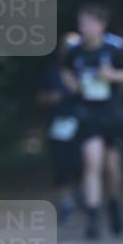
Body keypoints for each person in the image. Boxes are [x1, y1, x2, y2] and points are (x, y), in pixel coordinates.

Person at [62, 5, 123, 238]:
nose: (84, 28)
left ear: (100, 25)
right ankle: (93, 219)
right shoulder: (75, 50)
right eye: (81, 23)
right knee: (91, 163)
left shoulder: (115, 47)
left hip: (111, 114)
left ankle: (114, 204)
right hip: (87, 114)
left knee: (111, 168)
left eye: (89, 23)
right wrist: (73, 85)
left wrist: (112, 75)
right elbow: (64, 70)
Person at [36, 34, 83, 223]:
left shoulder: (85, 69)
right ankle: (66, 203)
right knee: (60, 163)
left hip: (82, 124)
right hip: (58, 124)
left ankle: (83, 198)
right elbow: (40, 97)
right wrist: (50, 98)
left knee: (81, 163)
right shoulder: (52, 71)